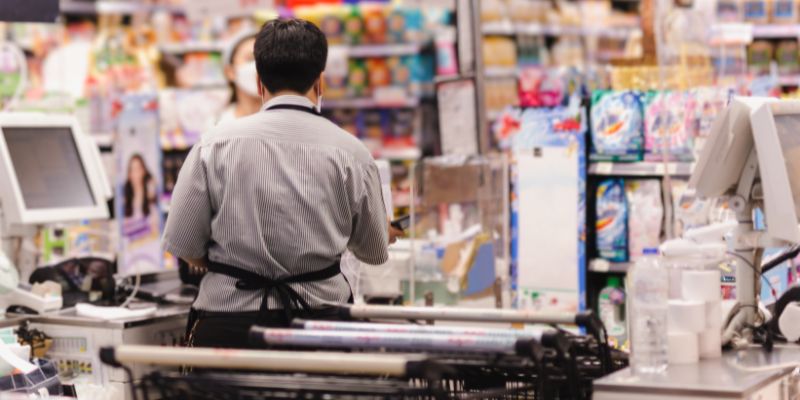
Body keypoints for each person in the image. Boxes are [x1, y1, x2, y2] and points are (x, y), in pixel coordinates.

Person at [163, 18, 403, 349]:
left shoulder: (213, 145)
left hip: (229, 327)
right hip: (323, 327)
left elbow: (183, 244)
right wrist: (381, 231)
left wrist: (232, 266)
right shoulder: (352, 153)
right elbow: (374, 252)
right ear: (321, 82)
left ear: (260, 82)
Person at [215, 30, 261, 125]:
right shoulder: (218, 124)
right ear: (230, 72)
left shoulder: (286, 121)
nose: (259, 66)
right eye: (250, 59)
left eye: (264, 59)